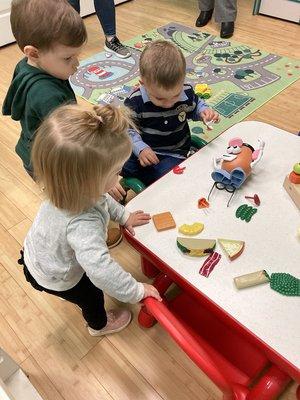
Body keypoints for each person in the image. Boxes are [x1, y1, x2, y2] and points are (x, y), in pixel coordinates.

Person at [18, 103, 162, 336]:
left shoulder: (70, 189)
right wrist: (136, 291)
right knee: (92, 296)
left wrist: (125, 216)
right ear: (86, 181)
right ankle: (99, 325)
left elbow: (103, 200)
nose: (120, 175)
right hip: (56, 276)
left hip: (37, 252)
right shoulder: (81, 224)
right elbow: (101, 271)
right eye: (116, 172)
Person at [2, 0, 120, 248]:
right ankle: (89, 236)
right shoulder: (47, 96)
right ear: (33, 52)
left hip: (32, 151)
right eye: (68, 58)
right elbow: (73, 148)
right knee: (75, 201)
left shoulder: (27, 66)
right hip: (51, 162)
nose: (76, 64)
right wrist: (104, 178)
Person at [120, 40, 219, 187]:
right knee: (116, 162)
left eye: (175, 95)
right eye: (159, 98)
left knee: (168, 175)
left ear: (183, 81)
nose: (169, 104)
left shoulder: (186, 92)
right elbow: (127, 130)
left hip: (174, 153)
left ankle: (155, 180)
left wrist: (204, 112)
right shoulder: (135, 102)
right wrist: (141, 149)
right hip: (144, 148)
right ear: (143, 83)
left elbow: (196, 106)